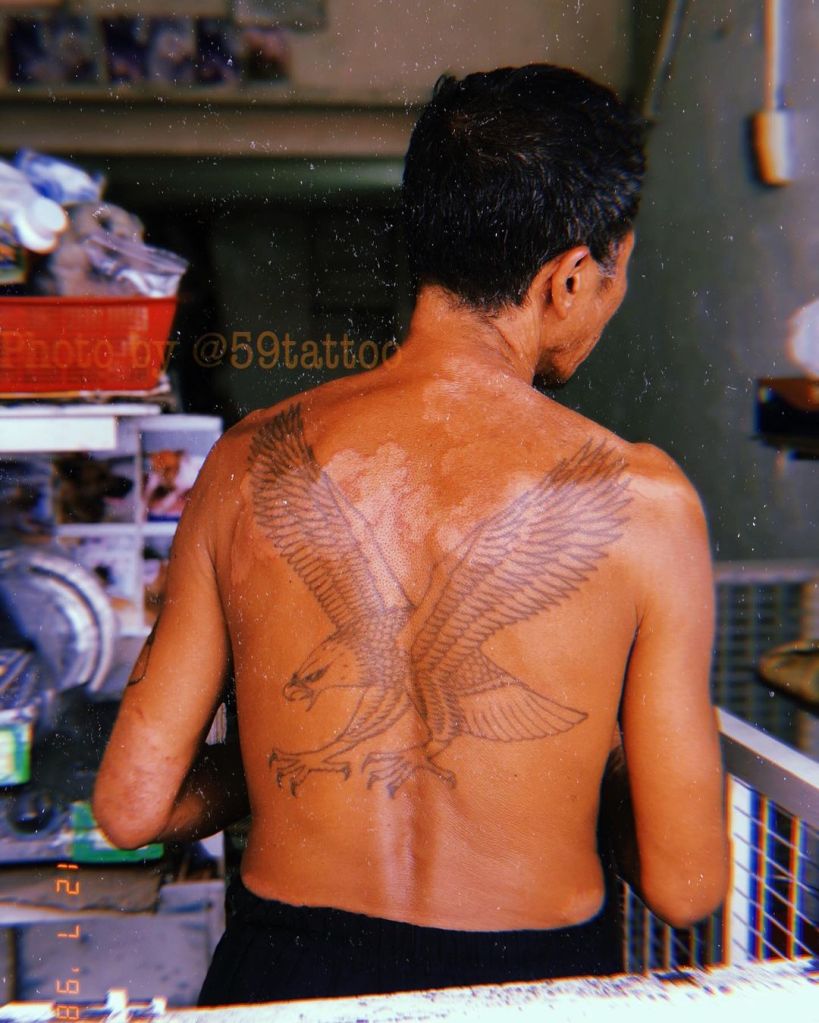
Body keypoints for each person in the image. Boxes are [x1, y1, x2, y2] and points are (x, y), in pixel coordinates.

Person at [93, 64, 729, 1003]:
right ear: (567, 277)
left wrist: (294, 761)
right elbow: (687, 883)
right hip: (528, 990)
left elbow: (130, 804)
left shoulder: (247, 460)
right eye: (614, 274)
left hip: (283, 979)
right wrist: (553, 768)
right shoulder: (643, 499)